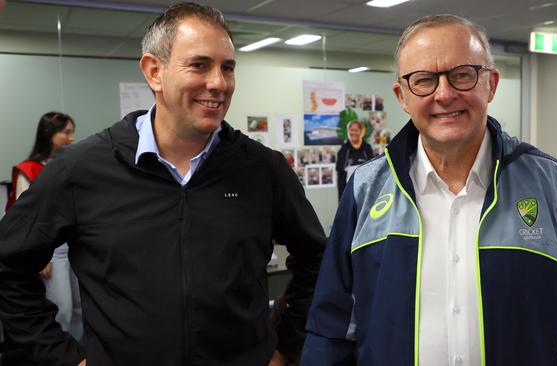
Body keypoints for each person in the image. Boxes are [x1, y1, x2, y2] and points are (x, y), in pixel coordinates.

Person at [0, 3, 325, 366]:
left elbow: (317, 259)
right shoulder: (82, 169)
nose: (219, 82)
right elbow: (8, 267)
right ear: (154, 71)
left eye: (228, 67)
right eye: (200, 64)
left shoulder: (263, 168)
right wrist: (61, 357)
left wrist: (284, 347)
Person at [302, 14, 557, 366]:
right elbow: (331, 327)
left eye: (462, 75)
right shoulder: (365, 189)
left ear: (491, 84)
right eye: (424, 80)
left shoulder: (554, 186)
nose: (444, 94)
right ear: (402, 96)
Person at [1, 112, 82, 364]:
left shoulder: (74, 166)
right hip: (50, 250)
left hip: (75, 246)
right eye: (65, 132)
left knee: (80, 310)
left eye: (71, 132)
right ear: (49, 134)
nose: (71, 137)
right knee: (63, 310)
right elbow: (22, 220)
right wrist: (39, 259)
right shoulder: (30, 169)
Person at [335, 120, 374, 199]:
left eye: (356, 130)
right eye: (351, 130)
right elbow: (339, 169)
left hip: (364, 190)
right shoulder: (344, 150)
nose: (353, 133)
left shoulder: (367, 148)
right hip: (348, 191)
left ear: (361, 132)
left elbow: (372, 168)